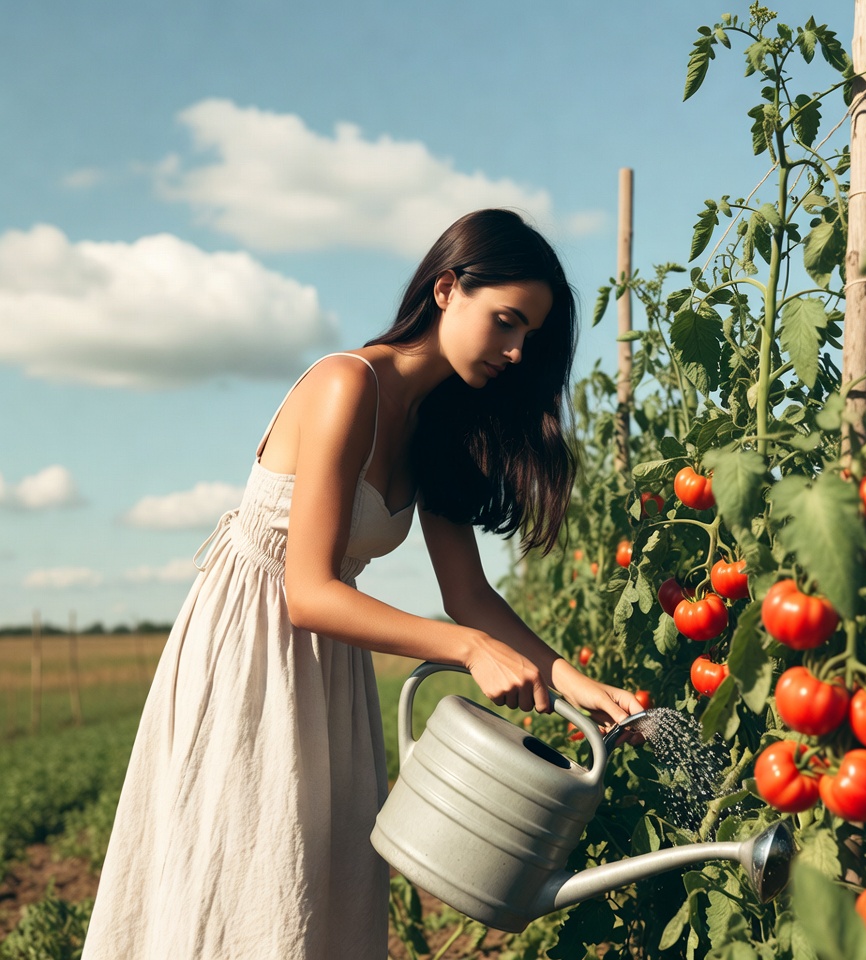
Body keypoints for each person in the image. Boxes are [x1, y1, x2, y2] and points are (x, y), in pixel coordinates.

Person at [81, 208, 646, 960]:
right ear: (447, 289)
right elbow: (307, 590)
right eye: (506, 323)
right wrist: (469, 650)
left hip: (328, 670)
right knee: (237, 882)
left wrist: (575, 681)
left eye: (529, 338)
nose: (515, 352)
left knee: (311, 891)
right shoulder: (347, 383)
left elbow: (469, 594)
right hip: (250, 653)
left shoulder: (437, 424)